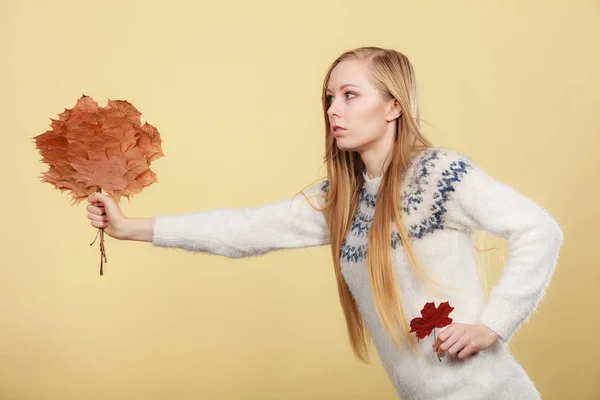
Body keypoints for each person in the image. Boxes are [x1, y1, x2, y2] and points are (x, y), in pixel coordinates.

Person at [86, 47, 563, 399]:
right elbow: (246, 229)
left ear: (393, 105)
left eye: (351, 95)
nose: (334, 109)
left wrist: (492, 326)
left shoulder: (440, 174)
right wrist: (130, 228)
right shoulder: (341, 199)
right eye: (330, 97)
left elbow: (539, 229)